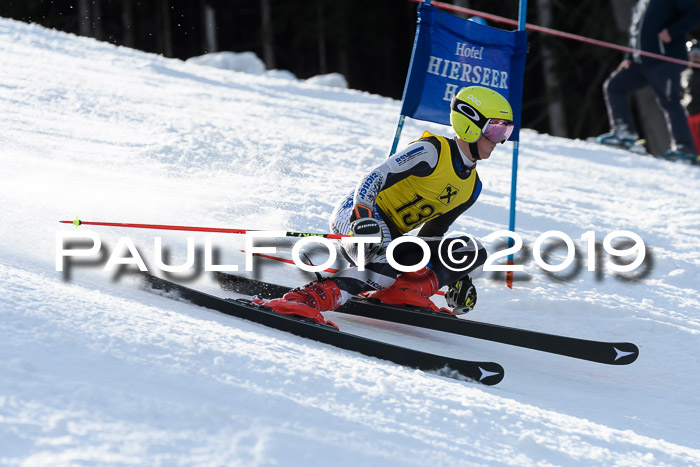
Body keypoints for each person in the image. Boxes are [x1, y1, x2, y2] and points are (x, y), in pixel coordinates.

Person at [261, 86, 514, 326]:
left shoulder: (472, 187)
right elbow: (374, 177)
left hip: (393, 237)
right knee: (385, 263)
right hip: (358, 214)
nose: (499, 140)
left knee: (470, 250)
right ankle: (302, 300)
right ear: (470, 124)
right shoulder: (432, 151)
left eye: (506, 132)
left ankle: (403, 291)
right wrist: (363, 215)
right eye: (494, 130)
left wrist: (457, 277)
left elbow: (432, 236)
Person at [596, 0, 700, 161]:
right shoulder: (640, 4)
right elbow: (635, 33)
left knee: (669, 101)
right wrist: (629, 56)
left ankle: (685, 149)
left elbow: (694, 15)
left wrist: (672, 32)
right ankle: (624, 133)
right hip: (640, 63)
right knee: (614, 86)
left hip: (664, 60)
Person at [683, 40, 700, 161]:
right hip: (690, 113)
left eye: (697, 54)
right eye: (692, 54)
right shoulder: (685, 73)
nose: (694, 58)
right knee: (694, 143)